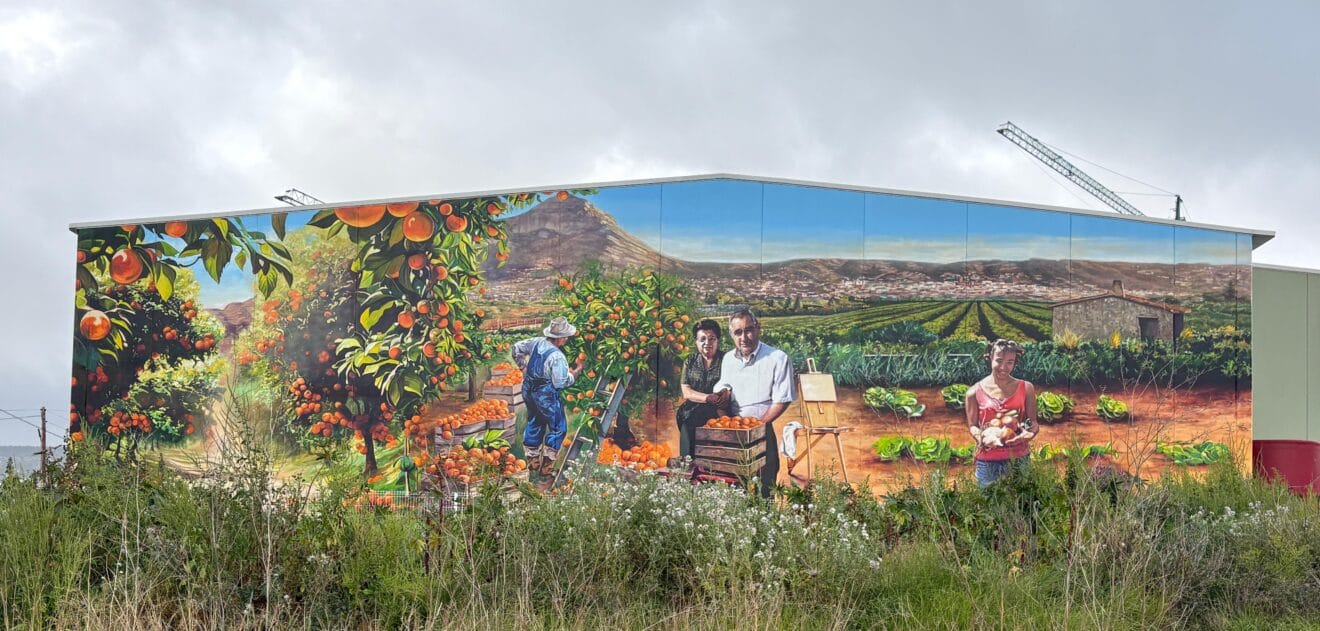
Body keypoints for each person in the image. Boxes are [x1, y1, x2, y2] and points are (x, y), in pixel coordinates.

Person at [712, 309, 795, 498]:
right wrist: (727, 423)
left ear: (758, 328)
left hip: (763, 432)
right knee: (736, 488)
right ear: (731, 335)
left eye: (748, 330)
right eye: (738, 332)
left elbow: (782, 400)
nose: (744, 337)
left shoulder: (777, 358)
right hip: (735, 434)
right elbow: (723, 392)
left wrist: (757, 427)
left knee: (765, 487)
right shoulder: (728, 360)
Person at [512, 316, 585, 484]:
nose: (566, 339)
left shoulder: (536, 342)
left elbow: (516, 348)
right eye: (565, 336)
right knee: (558, 427)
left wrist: (523, 367)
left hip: (529, 389)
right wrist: (576, 371)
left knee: (535, 420)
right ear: (559, 337)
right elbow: (560, 382)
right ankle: (546, 469)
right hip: (544, 393)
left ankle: (532, 463)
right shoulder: (557, 357)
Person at [965, 338, 1039, 488]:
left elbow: (1033, 423)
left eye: (1010, 362)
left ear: (1015, 363)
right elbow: (972, 425)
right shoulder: (973, 392)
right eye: (999, 360)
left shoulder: (1026, 388)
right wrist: (981, 438)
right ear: (990, 357)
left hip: (1019, 458)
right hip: (987, 460)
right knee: (988, 505)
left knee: (1020, 505)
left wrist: (1028, 434)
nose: (1004, 367)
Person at [676, 319, 729, 460]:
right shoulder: (690, 361)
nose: (707, 343)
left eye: (712, 339)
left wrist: (723, 395)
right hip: (691, 410)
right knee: (688, 430)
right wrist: (707, 397)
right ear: (696, 342)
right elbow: (686, 392)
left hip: (718, 411)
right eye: (702, 339)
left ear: (718, 340)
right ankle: (688, 466)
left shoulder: (727, 360)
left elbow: (730, 388)